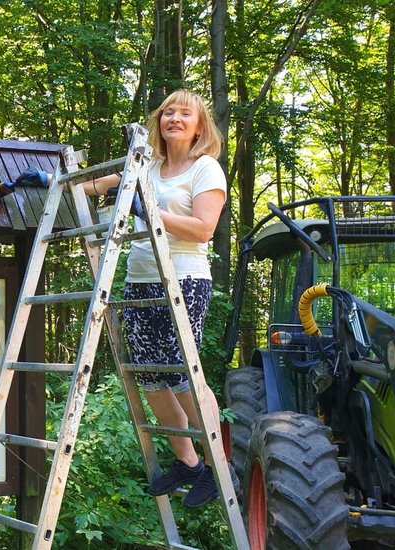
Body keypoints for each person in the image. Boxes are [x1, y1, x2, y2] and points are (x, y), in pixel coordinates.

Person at [82, 89, 231, 507]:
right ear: (159, 121)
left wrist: (148, 209)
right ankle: (188, 462)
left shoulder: (205, 169)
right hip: (141, 280)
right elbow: (98, 186)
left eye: (186, 113)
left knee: (182, 372)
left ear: (200, 126)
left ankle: (218, 464)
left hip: (183, 280)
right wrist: (49, 180)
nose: (175, 119)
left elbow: (203, 229)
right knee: (149, 376)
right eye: (168, 112)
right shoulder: (147, 166)